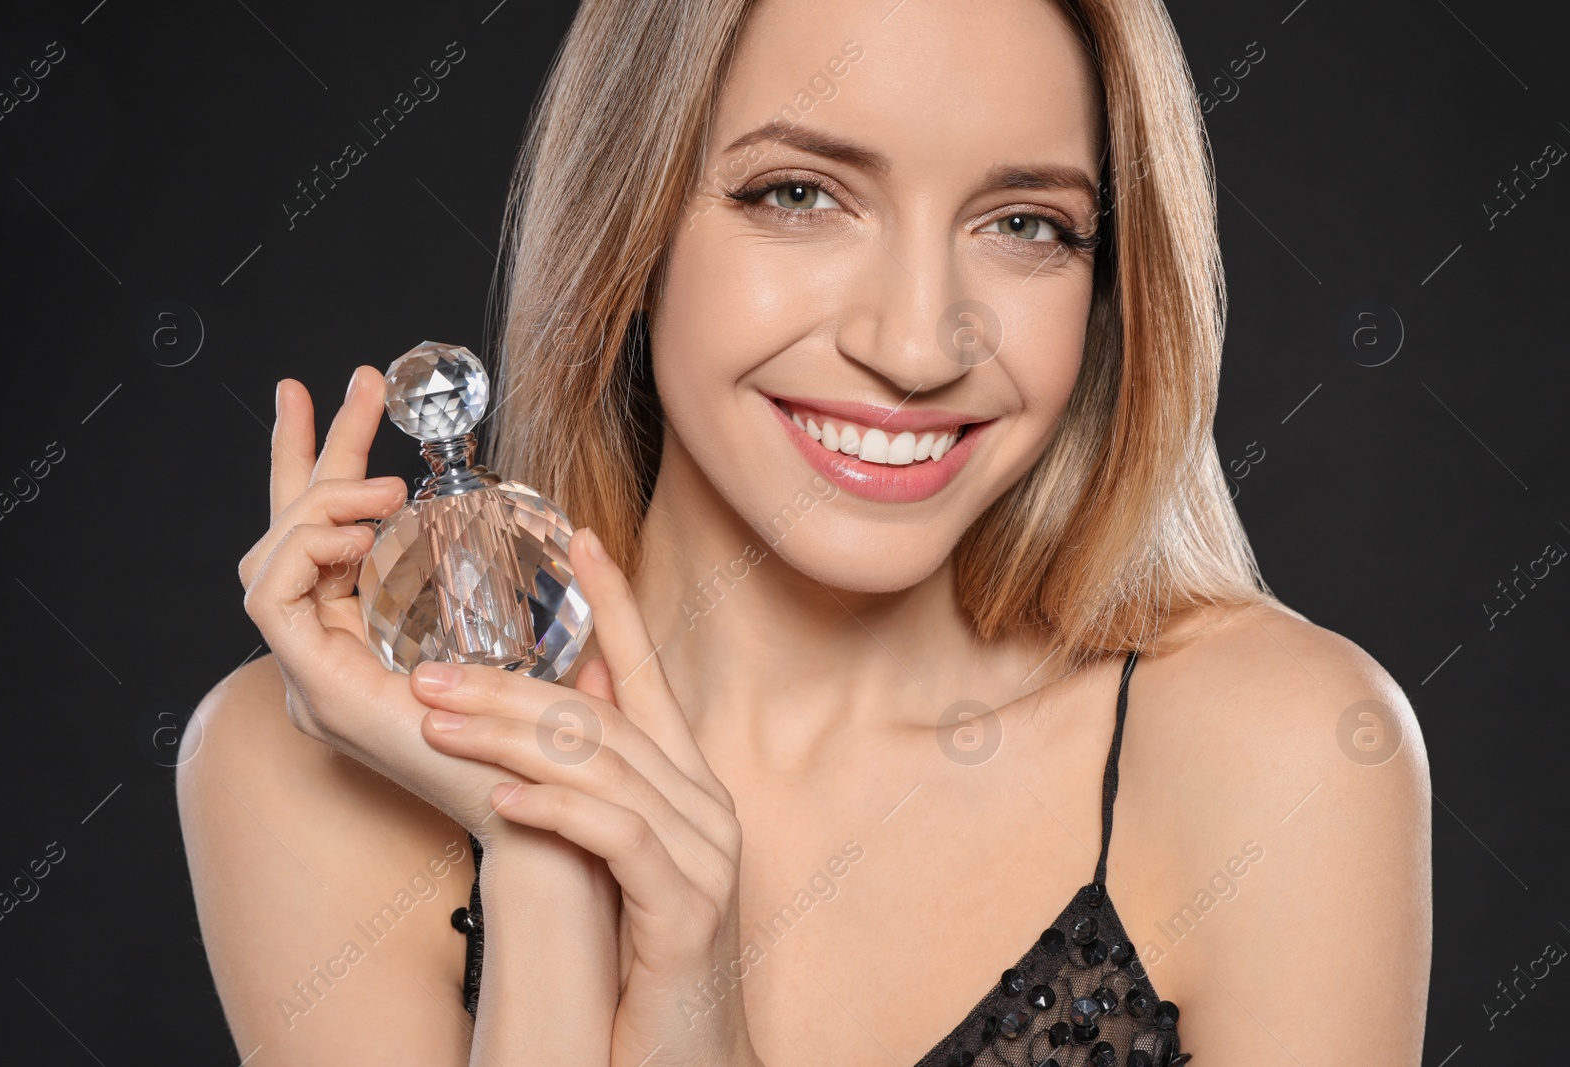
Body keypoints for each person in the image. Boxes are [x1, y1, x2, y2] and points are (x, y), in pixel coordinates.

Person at [179, 0, 1433, 1063]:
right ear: (634, 221)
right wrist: (546, 866)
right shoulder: (304, 765)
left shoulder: (1289, 756)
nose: (912, 342)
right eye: (801, 193)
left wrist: (692, 1009)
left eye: (1025, 224)